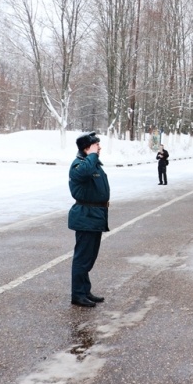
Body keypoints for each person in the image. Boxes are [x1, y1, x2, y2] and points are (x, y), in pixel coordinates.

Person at [68, 132, 110, 308]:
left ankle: (85, 290)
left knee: (90, 257)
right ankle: (78, 294)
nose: (99, 148)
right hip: (86, 216)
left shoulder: (93, 164)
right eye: (95, 145)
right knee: (82, 258)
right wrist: (92, 155)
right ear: (86, 148)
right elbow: (84, 173)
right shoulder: (79, 165)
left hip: (95, 216)